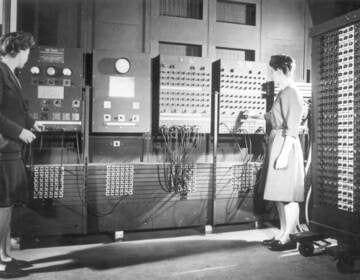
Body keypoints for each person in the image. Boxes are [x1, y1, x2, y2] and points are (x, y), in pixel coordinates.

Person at [0, 31, 41, 277]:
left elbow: (14, 109)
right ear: (18, 50)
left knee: (8, 204)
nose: (28, 56)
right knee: (2, 205)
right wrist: (19, 132)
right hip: (3, 148)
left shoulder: (12, 76)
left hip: (11, 150)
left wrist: (31, 123)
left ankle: (4, 255)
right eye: (27, 51)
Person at [259, 55, 304, 251]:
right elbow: (274, 116)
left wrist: (284, 155)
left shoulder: (291, 93)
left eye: (274, 71)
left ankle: (290, 236)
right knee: (278, 193)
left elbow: (292, 128)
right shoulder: (283, 92)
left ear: (282, 71)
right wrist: (258, 115)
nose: (272, 75)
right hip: (277, 141)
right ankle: (282, 233)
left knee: (287, 195)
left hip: (286, 144)